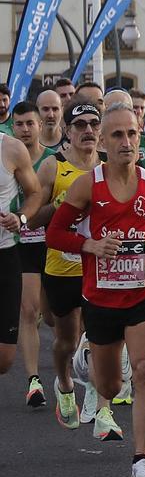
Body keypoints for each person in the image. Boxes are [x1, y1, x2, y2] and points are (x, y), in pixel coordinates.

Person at [45, 103, 145, 477]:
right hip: (101, 298)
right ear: (104, 143)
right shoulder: (86, 185)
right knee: (109, 386)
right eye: (118, 135)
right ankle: (88, 359)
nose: (127, 142)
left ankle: (141, 461)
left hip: (144, 293)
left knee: (144, 371)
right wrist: (89, 245)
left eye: (132, 134)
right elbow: (55, 233)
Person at [30, 101, 102, 429]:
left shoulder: (108, 167)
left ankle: (97, 397)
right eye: (80, 125)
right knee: (66, 341)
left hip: (98, 267)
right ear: (68, 132)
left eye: (93, 124)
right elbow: (33, 215)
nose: (88, 130)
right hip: (62, 267)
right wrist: (59, 208)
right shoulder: (52, 167)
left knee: (99, 336)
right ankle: (64, 382)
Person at [10, 102, 50, 405]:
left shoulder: (52, 161)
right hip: (22, 244)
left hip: (54, 244)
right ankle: (33, 380)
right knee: (27, 310)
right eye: (19, 124)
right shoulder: (8, 159)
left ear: (40, 127)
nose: (25, 130)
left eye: (30, 124)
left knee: (54, 316)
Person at [0, 114, 44, 384]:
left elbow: (35, 193)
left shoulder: (11, 148)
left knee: (4, 359)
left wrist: (21, 218)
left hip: (5, 253)